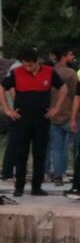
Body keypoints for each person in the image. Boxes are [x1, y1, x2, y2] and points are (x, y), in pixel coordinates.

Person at [0, 48, 66, 197]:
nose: (27, 68)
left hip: (42, 118)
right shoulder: (17, 73)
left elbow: (63, 88)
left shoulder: (49, 72)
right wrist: (7, 110)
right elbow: (0, 88)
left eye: (30, 65)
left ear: (36, 62)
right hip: (22, 119)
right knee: (21, 153)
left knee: (39, 153)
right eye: (24, 65)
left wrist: (56, 108)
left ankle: (37, 186)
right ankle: (19, 186)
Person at [46, 47, 78, 184]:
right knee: (74, 147)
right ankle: (75, 175)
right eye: (70, 54)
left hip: (53, 113)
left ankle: (58, 174)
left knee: (56, 147)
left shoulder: (48, 72)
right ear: (64, 56)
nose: (72, 56)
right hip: (70, 113)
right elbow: (75, 94)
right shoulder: (70, 73)